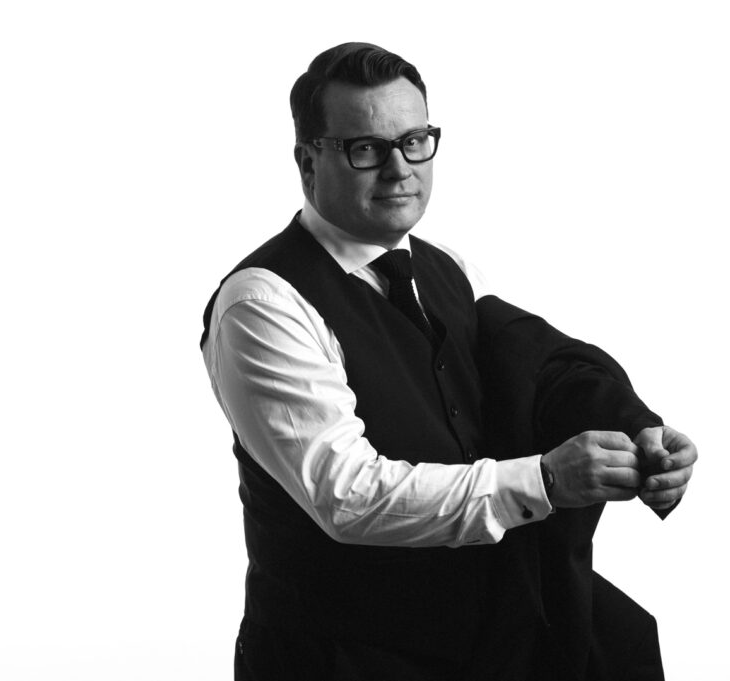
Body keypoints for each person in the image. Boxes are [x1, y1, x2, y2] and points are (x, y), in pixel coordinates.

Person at [200, 42, 696, 681]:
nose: (399, 169)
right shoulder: (263, 303)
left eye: (414, 141)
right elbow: (346, 495)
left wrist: (638, 430)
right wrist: (543, 482)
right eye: (366, 148)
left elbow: (544, 369)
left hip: (482, 643)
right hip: (339, 655)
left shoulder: (449, 269)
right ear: (307, 161)